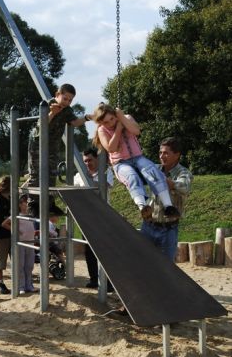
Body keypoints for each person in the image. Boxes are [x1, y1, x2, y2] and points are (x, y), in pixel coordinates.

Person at [92, 103, 180, 221]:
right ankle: (143, 207)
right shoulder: (102, 130)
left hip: (138, 157)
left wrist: (122, 118)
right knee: (131, 176)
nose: (110, 123)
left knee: (152, 170)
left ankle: (168, 206)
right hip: (120, 163)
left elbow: (136, 131)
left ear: (115, 115)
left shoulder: (126, 118)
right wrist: (118, 129)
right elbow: (111, 148)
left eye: (112, 118)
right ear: (101, 123)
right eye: (106, 122)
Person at [27, 83, 91, 217]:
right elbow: (41, 125)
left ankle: (50, 205)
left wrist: (88, 117)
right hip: (38, 145)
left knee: (51, 174)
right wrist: (52, 113)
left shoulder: (67, 110)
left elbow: (75, 123)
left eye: (70, 100)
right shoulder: (46, 105)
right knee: (36, 174)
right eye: (65, 98)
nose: (67, 102)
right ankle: (33, 204)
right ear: (57, 95)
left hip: (52, 147)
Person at [141, 137, 193, 261]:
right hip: (148, 226)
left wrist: (167, 182)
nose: (161, 156)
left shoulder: (184, 173)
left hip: (168, 230)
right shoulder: (154, 169)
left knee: (167, 269)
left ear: (177, 155)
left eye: (166, 153)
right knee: (143, 264)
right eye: (160, 152)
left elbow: (185, 187)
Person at [74, 147, 114, 290]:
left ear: (97, 159)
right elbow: (76, 194)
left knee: (104, 250)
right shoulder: (78, 176)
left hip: (103, 217)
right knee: (89, 250)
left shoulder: (105, 172)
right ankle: (93, 279)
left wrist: (90, 181)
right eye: (85, 161)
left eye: (90, 160)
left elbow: (105, 186)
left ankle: (109, 282)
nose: (87, 164)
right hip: (87, 217)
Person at [2, 194, 37, 295]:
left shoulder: (30, 214)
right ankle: (20, 286)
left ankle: (29, 285)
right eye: (24, 202)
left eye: (26, 202)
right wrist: (16, 230)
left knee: (29, 265)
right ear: (20, 205)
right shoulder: (16, 215)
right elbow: (4, 223)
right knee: (20, 265)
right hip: (20, 243)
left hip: (30, 242)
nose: (27, 204)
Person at [0, 175, 11, 294]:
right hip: (1, 234)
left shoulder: (12, 198)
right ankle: (0, 282)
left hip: (12, 233)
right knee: (0, 260)